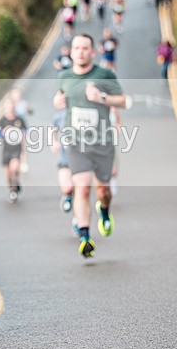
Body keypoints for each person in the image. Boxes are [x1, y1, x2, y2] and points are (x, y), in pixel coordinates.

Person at [53, 34, 127, 258]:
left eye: (85, 48)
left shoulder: (105, 75)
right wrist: (57, 101)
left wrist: (102, 97)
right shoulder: (64, 76)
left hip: (102, 141)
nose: (81, 52)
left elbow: (123, 101)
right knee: (82, 188)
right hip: (76, 141)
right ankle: (85, 236)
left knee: (103, 190)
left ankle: (104, 210)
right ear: (72, 52)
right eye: (77, 48)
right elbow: (60, 97)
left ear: (92, 52)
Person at [0, 100, 26, 203]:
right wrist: (3, 132)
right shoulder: (2, 120)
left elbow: (25, 132)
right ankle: (12, 190)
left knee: (15, 168)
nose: (9, 109)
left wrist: (24, 151)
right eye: (7, 107)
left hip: (16, 149)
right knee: (8, 173)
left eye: (11, 107)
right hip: (6, 150)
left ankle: (14, 187)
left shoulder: (19, 120)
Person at [51, 109, 74, 217]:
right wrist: (54, 142)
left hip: (81, 161)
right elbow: (53, 129)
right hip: (65, 159)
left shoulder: (83, 114)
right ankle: (68, 196)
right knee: (67, 187)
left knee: (81, 192)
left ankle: (78, 222)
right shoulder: (60, 116)